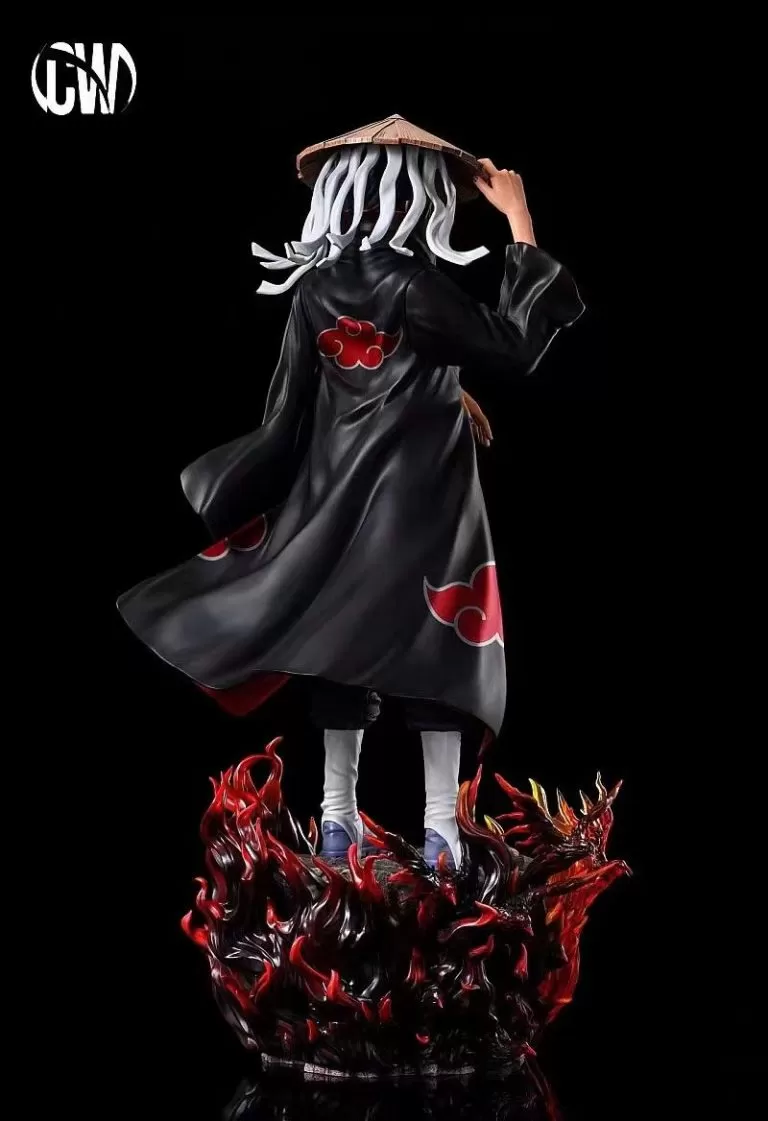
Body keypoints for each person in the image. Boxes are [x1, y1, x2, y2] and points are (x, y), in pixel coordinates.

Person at [117, 115, 584, 870]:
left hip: (338, 500)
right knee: (438, 653)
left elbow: (293, 406)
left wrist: (437, 386)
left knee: (341, 651)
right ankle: (441, 832)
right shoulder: (415, 285)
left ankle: (337, 823)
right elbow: (513, 345)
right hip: (425, 503)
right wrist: (520, 221)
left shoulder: (316, 289)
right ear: (419, 197)